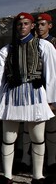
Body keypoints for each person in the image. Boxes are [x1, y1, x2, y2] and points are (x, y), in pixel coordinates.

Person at [0, 12, 56, 184]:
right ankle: (7, 175)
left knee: (38, 137)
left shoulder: (44, 46)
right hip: (12, 96)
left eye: (25, 23)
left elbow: (52, 73)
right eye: (19, 24)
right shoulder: (6, 50)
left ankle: (38, 176)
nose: (22, 26)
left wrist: (52, 100)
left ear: (32, 26)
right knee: (8, 137)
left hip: (35, 94)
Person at [36, 13, 56, 173]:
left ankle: (52, 160)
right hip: (36, 89)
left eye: (43, 24)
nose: (39, 27)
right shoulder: (33, 44)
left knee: (51, 127)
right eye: (38, 24)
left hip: (51, 87)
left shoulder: (53, 43)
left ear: (49, 25)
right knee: (32, 128)